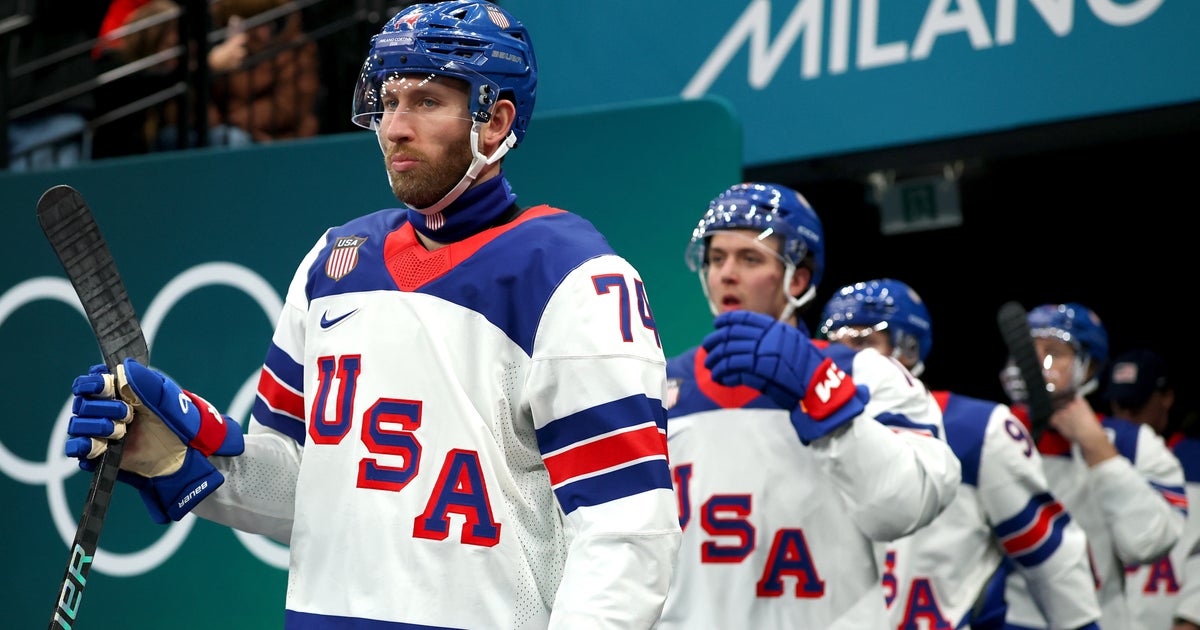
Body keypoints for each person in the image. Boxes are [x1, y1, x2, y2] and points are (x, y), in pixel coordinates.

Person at [63, 3, 682, 627]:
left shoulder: (574, 275)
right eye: (387, 101)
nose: (395, 127)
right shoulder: (333, 262)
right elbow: (307, 489)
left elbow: (626, 526)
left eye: (427, 100)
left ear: (494, 122)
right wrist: (172, 457)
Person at [656, 183, 961, 628]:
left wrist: (823, 394)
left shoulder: (866, 373)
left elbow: (906, 507)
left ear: (797, 278)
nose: (726, 274)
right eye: (717, 257)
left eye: (750, 258)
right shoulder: (658, 385)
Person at [818, 279, 1101, 629]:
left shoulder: (978, 429)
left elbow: (1050, 554)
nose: (844, 358)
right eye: (834, 345)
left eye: (862, 343)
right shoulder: (801, 426)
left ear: (908, 349)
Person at [996, 303, 1187, 629]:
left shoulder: (1132, 442)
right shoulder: (994, 431)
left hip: (1099, 619)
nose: (1034, 364)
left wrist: (1098, 449)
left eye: (1053, 352)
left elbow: (1147, 543)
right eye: (1027, 351)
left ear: (1088, 367)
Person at [1105, 349, 1200, 630]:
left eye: (1136, 407)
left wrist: (1192, 619)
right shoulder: (1094, 465)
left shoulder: (1194, 463)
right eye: (1118, 406)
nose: (1125, 418)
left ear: (1166, 398)